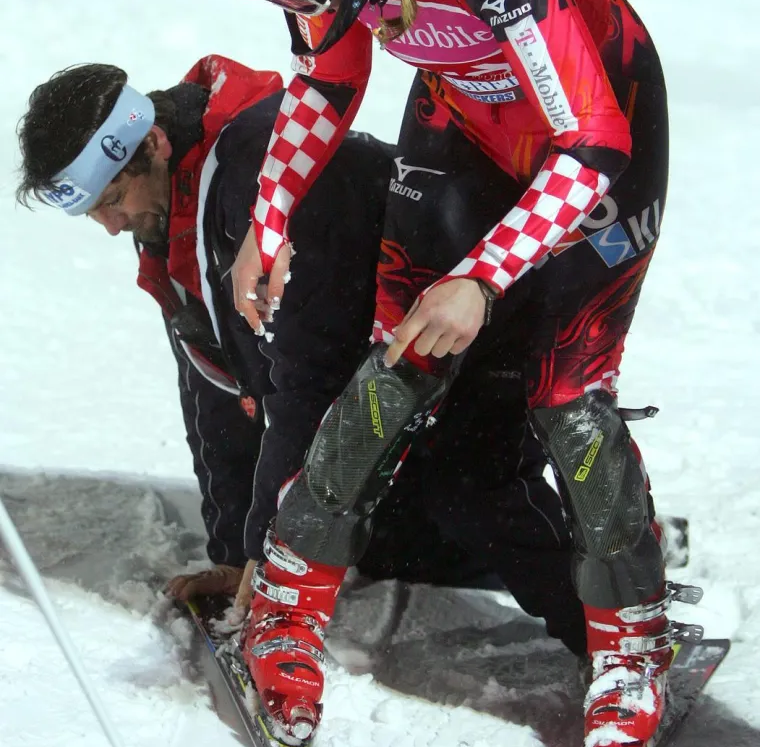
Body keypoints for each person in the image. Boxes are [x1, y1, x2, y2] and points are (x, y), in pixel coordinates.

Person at [216, 0, 677, 747]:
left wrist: (480, 276)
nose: (293, 16)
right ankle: (286, 610)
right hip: (467, 117)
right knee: (398, 364)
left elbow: (592, 141)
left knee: (567, 391)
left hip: (597, 135)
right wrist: (267, 217)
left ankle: (630, 647)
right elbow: (328, 82)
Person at [15, 54, 586, 652]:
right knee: (382, 542)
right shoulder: (166, 213)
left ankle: (618, 630)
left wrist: (271, 555)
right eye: (94, 213)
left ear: (154, 142)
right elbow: (216, 383)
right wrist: (237, 551)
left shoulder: (255, 176)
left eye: (112, 200)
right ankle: (576, 529)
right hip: (379, 359)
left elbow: (307, 381)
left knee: (467, 488)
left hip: (478, 318)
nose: (112, 226)